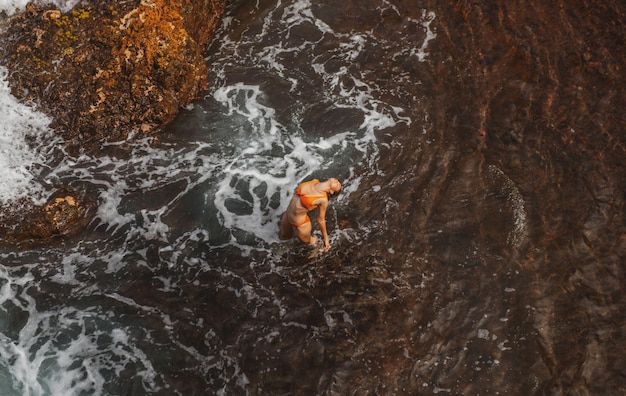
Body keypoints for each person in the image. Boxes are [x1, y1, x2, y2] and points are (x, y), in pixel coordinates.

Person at [280, 178, 342, 252]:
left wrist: (326, 239)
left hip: (300, 224)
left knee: (310, 242)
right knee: (284, 238)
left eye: (338, 185)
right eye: (338, 181)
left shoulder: (323, 200)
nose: (338, 182)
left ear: (331, 192)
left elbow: (321, 219)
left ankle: (320, 250)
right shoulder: (315, 181)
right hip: (287, 216)